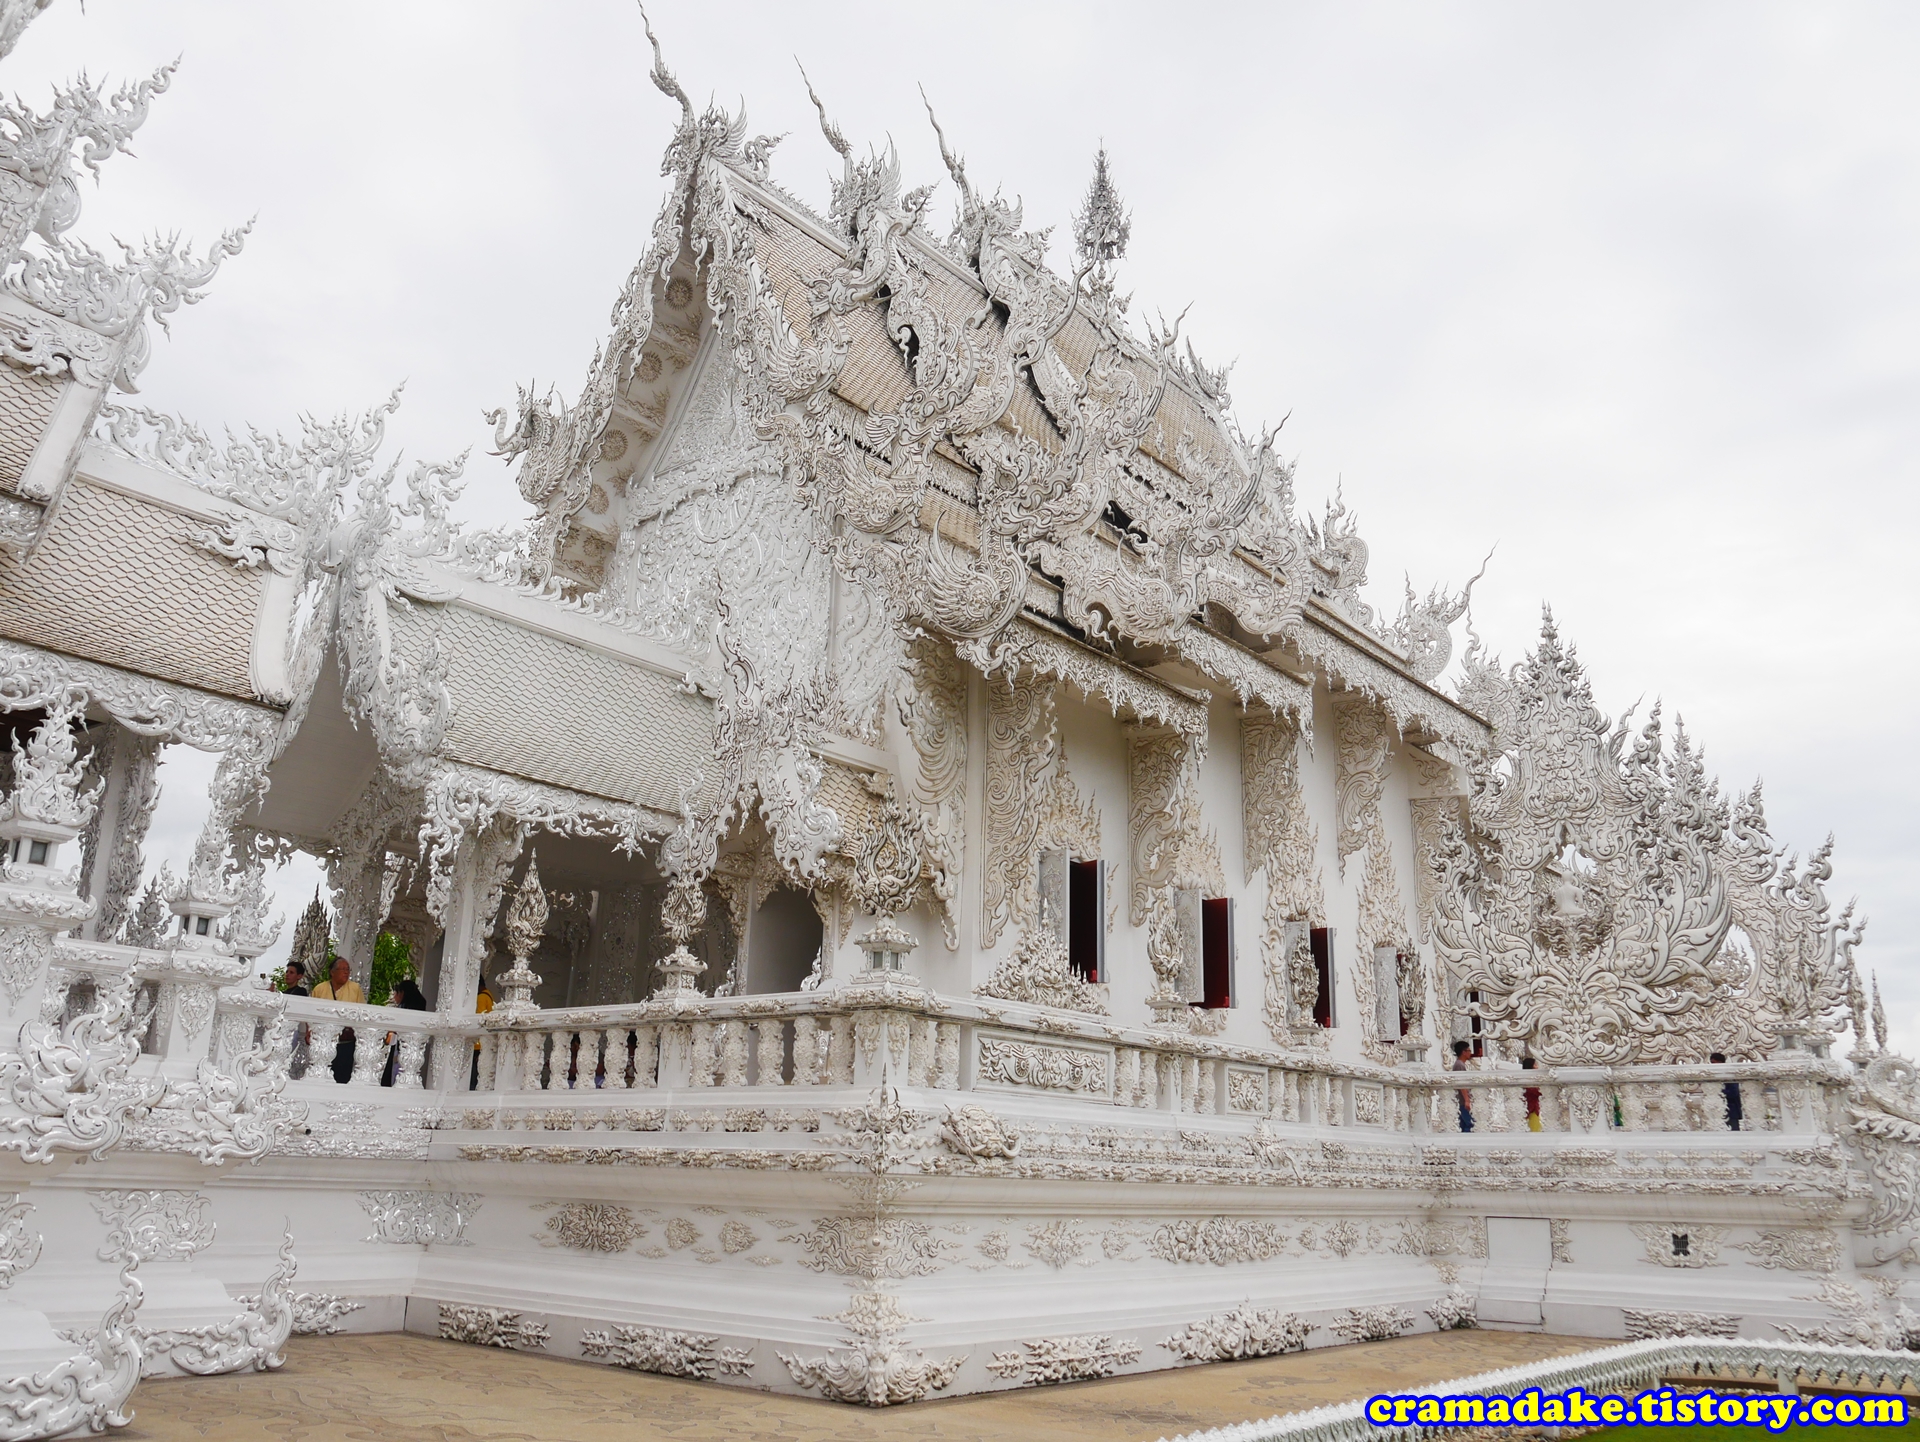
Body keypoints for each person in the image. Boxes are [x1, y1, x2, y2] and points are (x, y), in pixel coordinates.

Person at [312, 957, 366, 1082]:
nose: (346, 972)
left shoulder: (355, 988)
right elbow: (312, 1013)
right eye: (342, 969)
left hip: (345, 1042)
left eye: (348, 969)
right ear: (332, 972)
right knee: (320, 1074)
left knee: (342, 1077)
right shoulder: (319, 989)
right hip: (323, 1040)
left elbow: (362, 1013)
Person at [382, 978, 428, 1086]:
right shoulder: (420, 1005)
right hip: (416, 1045)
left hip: (401, 1045)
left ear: (402, 993)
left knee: (397, 1071)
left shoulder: (403, 1009)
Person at [470, 972, 494, 1090]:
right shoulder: (489, 996)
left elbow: (478, 1021)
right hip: (486, 1042)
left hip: (478, 1044)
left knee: (474, 1077)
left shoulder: (481, 998)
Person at [1711, 1052, 1743, 1130]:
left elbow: (1734, 1092)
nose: (1712, 1065)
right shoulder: (1714, 1074)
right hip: (1718, 1110)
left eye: (1714, 1063)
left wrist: (1719, 1092)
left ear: (1720, 1062)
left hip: (1731, 1110)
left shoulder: (1729, 1073)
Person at [1452, 1039, 1475, 1133]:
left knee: (1465, 1124)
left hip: (1462, 1100)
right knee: (1468, 1124)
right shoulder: (1459, 1065)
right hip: (1462, 1101)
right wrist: (1466, 1099)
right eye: (1469, 1050)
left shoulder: (1460, 1064)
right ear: (1463, 1052)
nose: (1470, 1053)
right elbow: (1461, 1083)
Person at [1520, 1056, 1542, 1132]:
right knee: (1535, 1129)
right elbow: (1537, 1092)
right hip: (1531, 1107)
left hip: (1534, 1107)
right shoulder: (1528, 1080)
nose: (1537, 1067)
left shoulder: (1531, 1079)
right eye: (1535, 1065)